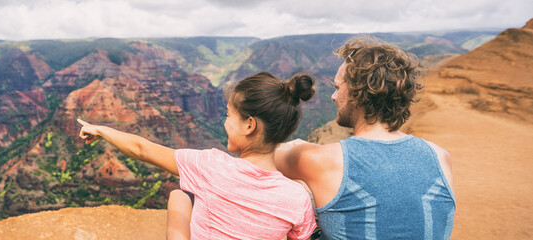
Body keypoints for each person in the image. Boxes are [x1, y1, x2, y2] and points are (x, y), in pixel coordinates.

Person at [78, 72, 317, 240]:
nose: (224, 122)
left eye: (228, 115)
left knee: (179, 196)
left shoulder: (210, 166)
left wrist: (101, 130)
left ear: (249, 125)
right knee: (180, 196)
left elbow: (142, 149)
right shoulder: (297, 198)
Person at [274, 37, 456, 239]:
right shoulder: (441, 157)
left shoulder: (319, 161)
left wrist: (301, 146)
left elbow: (263, 156)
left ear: (357, 93)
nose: (333, 97)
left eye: (337, 87)